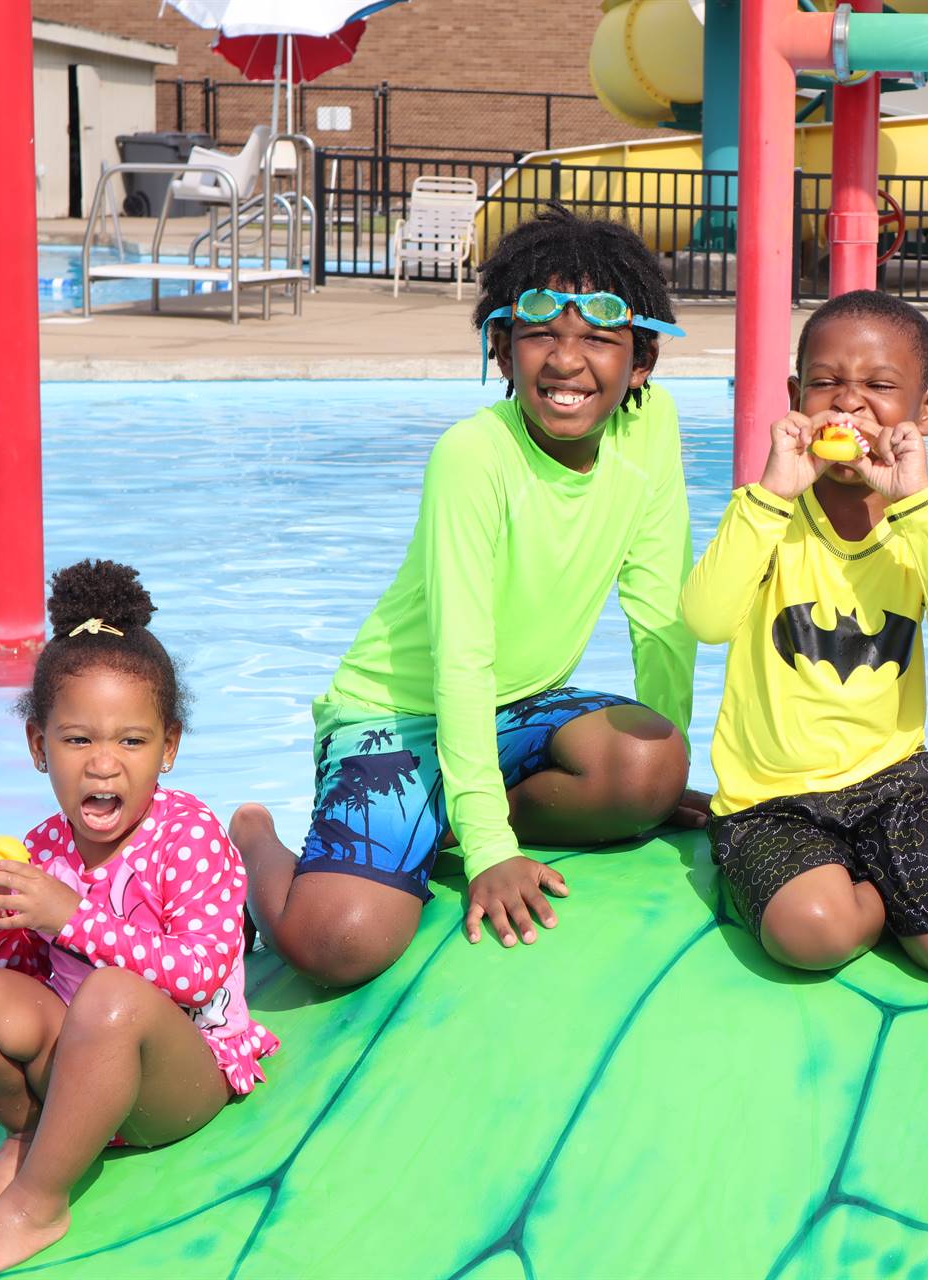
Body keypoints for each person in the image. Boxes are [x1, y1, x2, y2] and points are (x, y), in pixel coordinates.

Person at [233, 208, 704, 984]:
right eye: (541, 335)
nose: (567, 362)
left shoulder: (650, 431)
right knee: (339, 945)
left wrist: (667, 773)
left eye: (599, 339)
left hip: (522, 706)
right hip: (394, 712)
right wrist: (491, 848)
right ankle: (255, 841)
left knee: (646, 766)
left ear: (642, 362)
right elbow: (461, 657)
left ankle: (447, 813)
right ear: (501, 348)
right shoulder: (472, 456)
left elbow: (660, 614)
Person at [0, 561, 277, 1280]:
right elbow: (22, 986)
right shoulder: (46, 846)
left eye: (132, 741)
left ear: (168, 747)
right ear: (37, 748)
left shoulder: (189, 835)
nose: (104, 766)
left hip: (179, 1076)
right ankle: (34, 1132)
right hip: (79, 1068)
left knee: (112, 995)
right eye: (78, 740)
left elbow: (197, 972)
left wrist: (70, 915)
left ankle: (38, 1202)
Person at [681, 289, 928, 978]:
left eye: (879, 386)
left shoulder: (918, 526)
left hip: (895, 786)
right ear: (794, 397)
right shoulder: (768, 516)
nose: (848, 403)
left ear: (927, 409)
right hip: (770, 802)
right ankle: (838, 888)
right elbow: (706, 619)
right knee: (814, 935)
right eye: (826, 384)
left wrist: (918, 503)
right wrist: (771, 494)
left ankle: (911, 890)